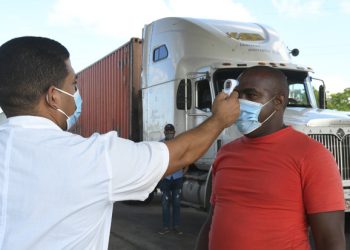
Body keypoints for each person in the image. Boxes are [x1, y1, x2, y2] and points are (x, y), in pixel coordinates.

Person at [0, 36, 240, 250]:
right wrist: (219, 119)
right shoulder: (93, 158)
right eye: (74, 85)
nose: (77, 95)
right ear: (53, 97)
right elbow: (178, 155)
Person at [196, 66, 346, 250]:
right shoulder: (226, 153)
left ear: (278, 101)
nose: (240, 102)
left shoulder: (312, 155)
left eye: (251, 95)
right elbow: (211, 222)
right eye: (237, 95)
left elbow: (330, 240)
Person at [158, 124, 188, 235]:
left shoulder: (179, 143)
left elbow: (186, 158)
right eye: (168, 132)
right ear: (164, 132)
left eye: (171, 132)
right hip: (165, 178)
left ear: (174, 132)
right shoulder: (160, 145)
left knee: (176, 203)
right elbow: (157, 161)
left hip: (177, 178)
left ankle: (176, 226)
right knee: (165, 204)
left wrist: (184, 170)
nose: (169, 133)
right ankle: (165, 227)